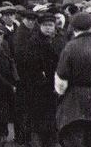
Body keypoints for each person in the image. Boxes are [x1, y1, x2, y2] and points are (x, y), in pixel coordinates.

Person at [54, 11, 91, 147]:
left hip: (75, 100)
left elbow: (61, 76)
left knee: (74, 139)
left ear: (74, 28)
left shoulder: (71, 47)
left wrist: (60, 94)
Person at [17, 12, 63, 147]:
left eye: (51, 25)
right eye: (46, 25)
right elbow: (30, 65)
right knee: (39, 122)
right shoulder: (34, 42)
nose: (49, 28)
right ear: (40, 26)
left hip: (52, 85)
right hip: (39, 88)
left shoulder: (56, 40)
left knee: (50, 120)